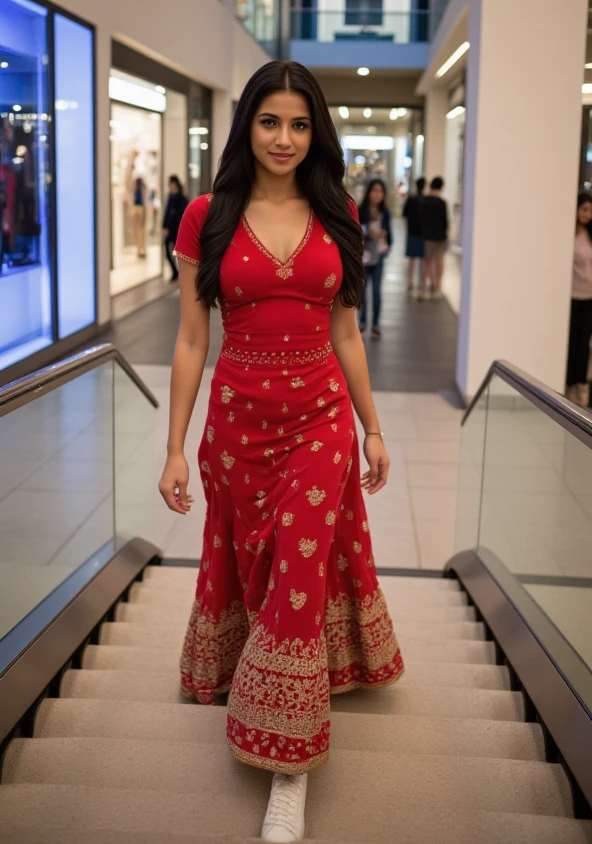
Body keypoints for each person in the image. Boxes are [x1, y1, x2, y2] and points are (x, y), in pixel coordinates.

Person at [158, 60, 403, 843]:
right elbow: (193, 339)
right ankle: (254, 674)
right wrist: (175, 447)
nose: (285, 138)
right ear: (247, 126)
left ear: (316, 130)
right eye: (271, 122)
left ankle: (287, 767)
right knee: (254, 561)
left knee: (299, 566)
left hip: (320, 420)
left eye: (300, 124)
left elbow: (345, 331)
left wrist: (371, 425)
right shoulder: (207, 215)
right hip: (236, 425)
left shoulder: (337, 214)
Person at [566, 191, 592, 407]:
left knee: (584, 344)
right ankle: (568, 382)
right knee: (572, 342)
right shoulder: (569, 235)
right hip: (573, 296)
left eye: (591, 211)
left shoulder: (590, 235)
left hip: (589, 297)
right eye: (584, 209)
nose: (588, 214)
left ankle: (581, 384)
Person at [358, 178, 392, 338]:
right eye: (374, 190)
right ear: (369, 192)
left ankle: (376, 324)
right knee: (363, 292)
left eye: (380, 191)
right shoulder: (360, 210)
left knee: (377, 291)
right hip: (363, 257)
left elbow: (389, 234)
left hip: (378, 257)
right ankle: (363, 321)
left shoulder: (385, 213)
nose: (377, 194)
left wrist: (386, 241)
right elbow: (355, 232)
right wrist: (368, 234)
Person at [420, 176, 448, 298]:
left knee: (427, 262)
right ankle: (437, 287)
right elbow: (445, 222)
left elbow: (421, 219)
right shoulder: (442, 203)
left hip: (427, 236)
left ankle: (424, 288)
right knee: (439, 262)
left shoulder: (425, 201)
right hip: (440, 236)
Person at [162, 175, 189, 281]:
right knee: (168, 252)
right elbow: (167, 213)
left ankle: (178, 273)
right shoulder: (170, 196)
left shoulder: (181, 198)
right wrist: (164, 226)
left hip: (177, 229)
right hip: (169, 230)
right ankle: (175, 272)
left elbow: (180, 215)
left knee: (178, 253)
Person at [403, 176, 426, 293]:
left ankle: (409, 283)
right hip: (422, 233)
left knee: (411, 260)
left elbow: (404, 214)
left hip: (411, 232)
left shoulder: (411, 199)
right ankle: (421, 283)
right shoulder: (425, 200)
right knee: (422, 260)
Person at [132, 175, 147, 258]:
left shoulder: (139, 188)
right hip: (139, 208)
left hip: (139, 208)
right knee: (139, 230)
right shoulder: (138, 188)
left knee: (139, 230)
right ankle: (140, 249)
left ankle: (141, 249)